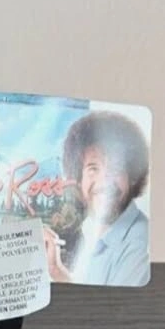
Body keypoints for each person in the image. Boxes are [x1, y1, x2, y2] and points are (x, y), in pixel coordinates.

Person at [45, 111, 150, 286]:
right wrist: (56, 270)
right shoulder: (92, 230)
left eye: (116, 168)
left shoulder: (140, 244)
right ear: (79, 179)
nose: (104, 182)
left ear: (132, 176)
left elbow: (111, 304)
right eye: (93, 168)